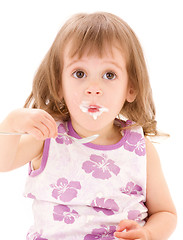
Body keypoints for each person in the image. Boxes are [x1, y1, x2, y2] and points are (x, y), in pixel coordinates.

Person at [0, 12, 177, 240]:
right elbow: (2, 162)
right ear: (59, 85)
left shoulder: (140, 150)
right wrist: (12, 123)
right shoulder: (48, 136)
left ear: (130, 88)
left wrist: (148, 233)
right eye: (79, 73)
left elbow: (165, 212)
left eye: (109, 75)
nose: (93, 88)